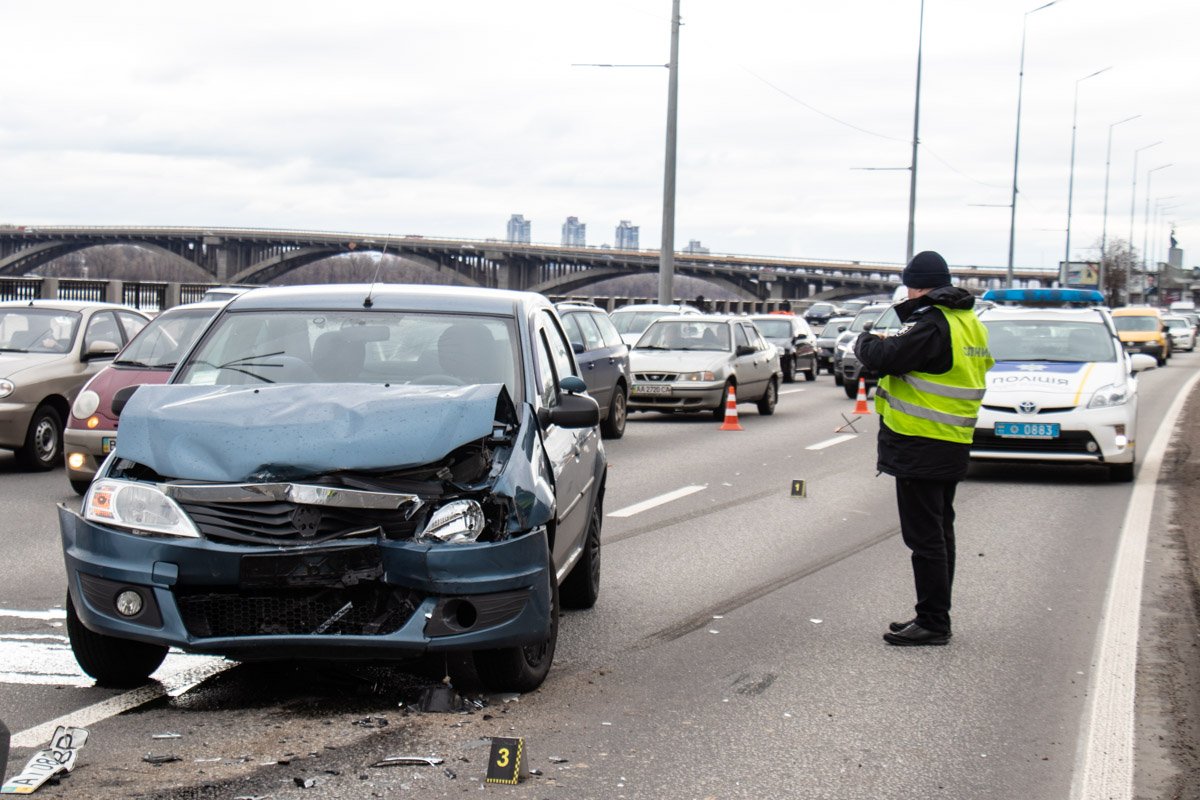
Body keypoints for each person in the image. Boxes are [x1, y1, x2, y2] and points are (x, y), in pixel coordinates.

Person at [853, 251, 994, 646]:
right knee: (939, 532)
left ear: (916, 286)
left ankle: (933, 621)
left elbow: (885, 357)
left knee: (925, 538)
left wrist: (865, 339)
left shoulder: (932, 323)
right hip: (950, 440)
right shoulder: (967, 322)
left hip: (921, 443)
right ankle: (934, 614)